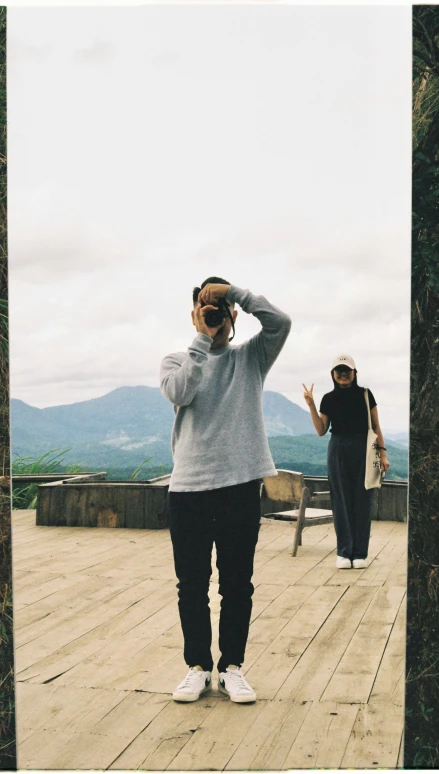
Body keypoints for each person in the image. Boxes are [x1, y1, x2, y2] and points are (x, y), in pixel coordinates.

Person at [160, 277, 291, 704]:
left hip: (239, 487)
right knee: (192, 585)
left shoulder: (250, 358)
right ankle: (197, 667)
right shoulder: (177, 360)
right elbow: (181, 392)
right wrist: (202, 338)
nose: (214, 314)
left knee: (237, 584)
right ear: (194, 315)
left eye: (220, 309)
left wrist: (236, 293)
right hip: (189, 488)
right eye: (204, 307)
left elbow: (281, 322)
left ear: (233, 315)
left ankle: (232, 666)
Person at [302, 354, 390, 570]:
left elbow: (376, 426)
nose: (343, 373)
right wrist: (311, 405)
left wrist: (383, 453)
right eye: (339, 370)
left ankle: (360, 553)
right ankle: (344, 552)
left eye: (347, 369)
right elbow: (322, 430)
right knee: (340, 502)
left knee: (362, 500)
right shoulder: (328, 399)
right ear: (332, 374)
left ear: (354, 372)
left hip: (364, 449)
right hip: (338, 449)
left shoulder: (366, 395)